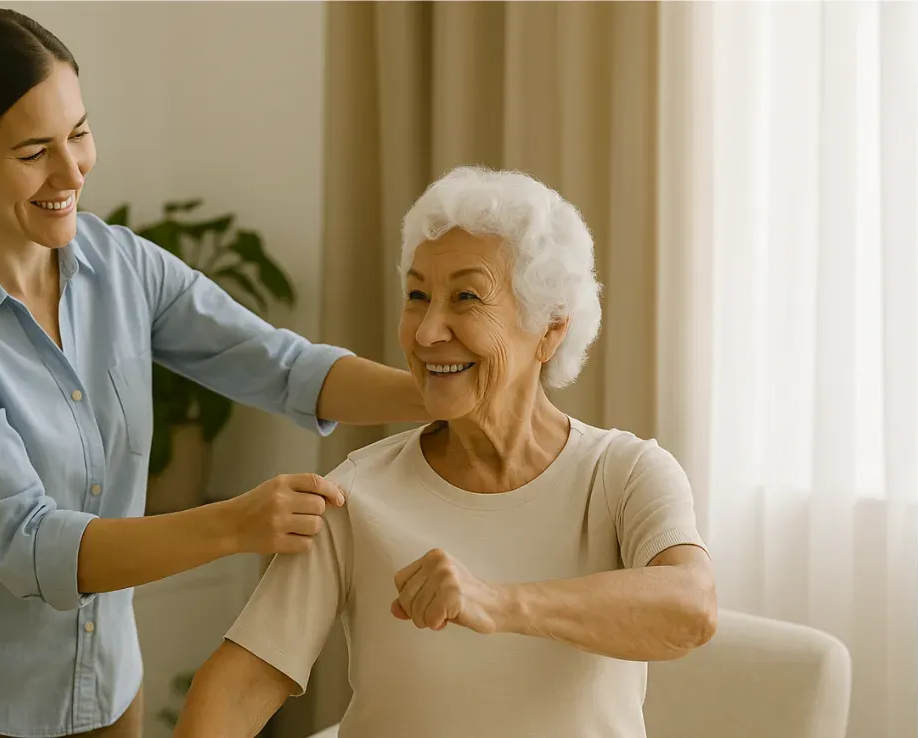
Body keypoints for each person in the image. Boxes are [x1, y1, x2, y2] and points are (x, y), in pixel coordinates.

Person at [0, 9, 427, 738]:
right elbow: (29, 545)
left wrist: (440, 392)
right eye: (35, 151)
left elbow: (285, 368)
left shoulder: (121, 266)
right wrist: (236, 524)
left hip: (106, 696)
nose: (71, 173)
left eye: (80, 134)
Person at [175, 166, 718, 738]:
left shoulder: (625, 474)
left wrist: (500, 604)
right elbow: (235, 691)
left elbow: (689, 609)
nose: (428, 331)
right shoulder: (358, 491)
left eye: (466, 297)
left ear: (551, 328)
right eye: (416, 296)